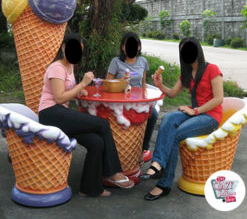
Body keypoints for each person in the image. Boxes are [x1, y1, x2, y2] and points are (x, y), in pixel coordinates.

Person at [38, 33, 134, 197]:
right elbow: (59, 97)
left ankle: (89, 188)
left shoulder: (70, 66)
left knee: (96, 142)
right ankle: (113, 172)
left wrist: (78, 92)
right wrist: (82, 83)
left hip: (61, 114)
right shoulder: (57, 67)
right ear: (64, 48)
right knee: (102, 124)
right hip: (50, 113)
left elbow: (67, 92)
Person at [140, 37, 223, 201]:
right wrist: (160, 85)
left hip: (210, 116)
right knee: (168, 118)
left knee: (176, 134)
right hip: (196, 113)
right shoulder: (186, 72)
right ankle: (158, 164)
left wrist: (195, 110)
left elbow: (218, 99)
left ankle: (164, 184)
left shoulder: (212, 69)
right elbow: (172, 94)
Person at [106, 32, 158, 162]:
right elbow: (107, 83)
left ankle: (143, 149)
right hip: (120, 101)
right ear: (123, 47)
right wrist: (121, 82)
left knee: (154, 115)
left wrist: (147, 99)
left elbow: (144, 82)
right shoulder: (116, 62)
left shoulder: (143, 61)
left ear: (139, 47)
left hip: (139, 100)